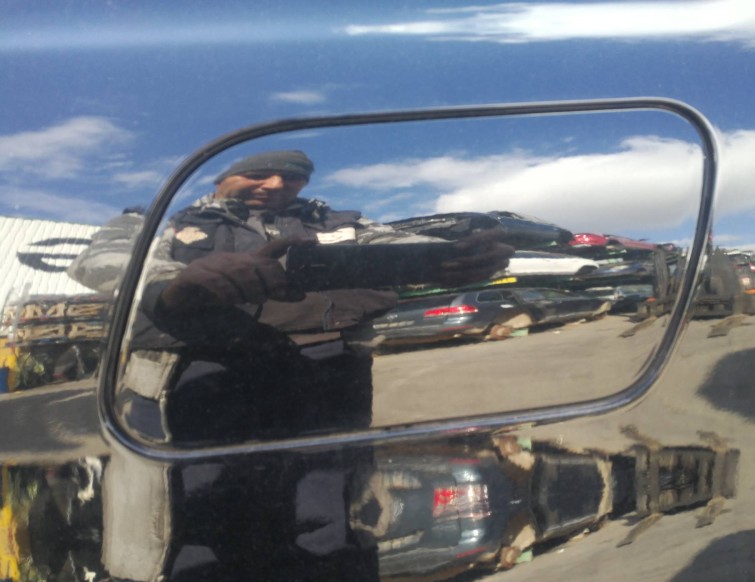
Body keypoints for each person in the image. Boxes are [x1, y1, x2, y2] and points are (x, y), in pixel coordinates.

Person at [121, 149, 513, 444]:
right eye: (258, 174)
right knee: (197, 493)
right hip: (198, 368)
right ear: (223, 179)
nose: (276, 185)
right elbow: (114, 268)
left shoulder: (336, 221)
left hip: (330, 367)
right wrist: (181, 283)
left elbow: (392, 242)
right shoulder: (164, 222)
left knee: (329, 494)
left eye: (292, 179)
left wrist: (456, 254)